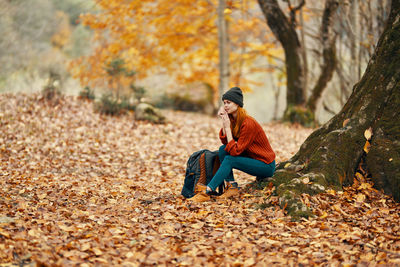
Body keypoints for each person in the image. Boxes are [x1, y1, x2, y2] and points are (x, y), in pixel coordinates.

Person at [206, 86, 276, 198]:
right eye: (224, 103)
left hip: (265, 165)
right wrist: (225, 124)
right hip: (252, 158)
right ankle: (231, 186)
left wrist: (228, 128)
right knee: (222, 150)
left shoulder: (248, 123)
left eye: (228, 102)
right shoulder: (233, 120)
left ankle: (208, 189)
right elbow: (226, 143)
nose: (225, 106)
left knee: (230, 159)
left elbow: (235, 151)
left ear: (237, 104)